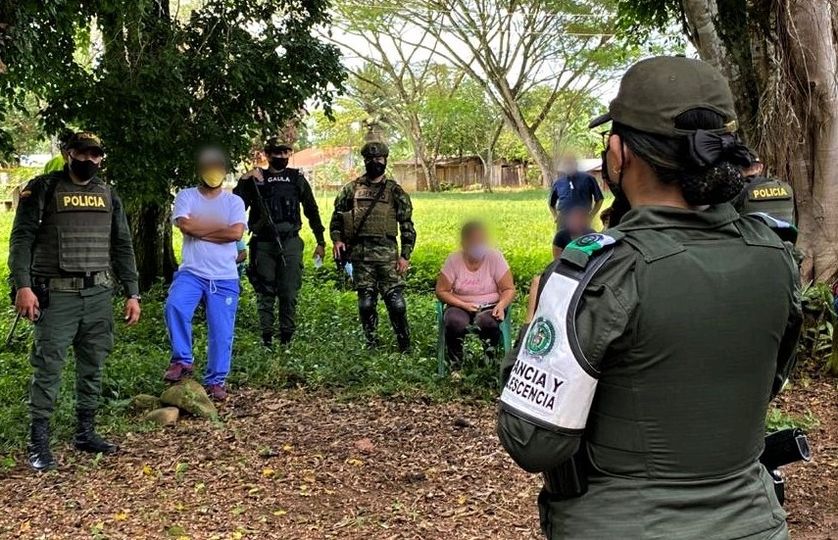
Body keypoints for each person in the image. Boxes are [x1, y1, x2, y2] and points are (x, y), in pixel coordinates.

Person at [497, 56, 802, 539]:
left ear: (619, 153)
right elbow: (766, 384)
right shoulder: (775, 255)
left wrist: (542, 321)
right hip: (754, 523)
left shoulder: (598, 272)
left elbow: (532, 442)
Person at [8, 131, 141, 472]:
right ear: (68, 153)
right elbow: (21, 240)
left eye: (95, 154)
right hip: (56, 296)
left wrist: (133, 293)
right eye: (82, 153)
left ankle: (85, 432)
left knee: (93, 366)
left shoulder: (108, 194)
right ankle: (38, 441)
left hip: (98, 295)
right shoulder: (42, 189)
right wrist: (23, 286)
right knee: (48, 369)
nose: (89, 160)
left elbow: (122, 245)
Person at [163, 147, 246, 401]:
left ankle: (216, 381)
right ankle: (182, 360)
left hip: (224, 277)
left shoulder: (234, 201)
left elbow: (236, 234)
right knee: (175, 306)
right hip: (192, 273)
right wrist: (217, 230)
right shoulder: (186, 196)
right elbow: (185, 225)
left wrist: (202, 231)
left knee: (222, 331)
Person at [233, 137, 326, 347]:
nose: (282, 156)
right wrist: (245, 180)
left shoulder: (296, 179)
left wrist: (320, 240)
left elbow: (311, 210)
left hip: (290, 242)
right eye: (277, 153)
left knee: (289, 291)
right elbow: (235, 206)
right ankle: (266, 337)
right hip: (263, 244)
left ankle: (286, 337)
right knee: (265, 291)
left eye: (286, 153)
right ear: (267, 155)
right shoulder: (256, 179)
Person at [330, 141, 416, 351]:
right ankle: (372, 343)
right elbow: (337, 219)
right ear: (365, 161)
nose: (374, 162)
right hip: (361, 257)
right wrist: (337, 239)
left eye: (379, 159)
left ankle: (405, 345)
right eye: (370, 159)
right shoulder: (351, 189)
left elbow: (407, 225)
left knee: (396, 304)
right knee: (366, 304)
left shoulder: (395, 191)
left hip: (388, 258)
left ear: (385, 160)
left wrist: (405, 255)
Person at [435, 221, 515, 370]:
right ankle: (455, 366)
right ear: (464, 243)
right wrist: (463, 305)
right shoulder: (454, 260)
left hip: (490, 306)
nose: (478, 245)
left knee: (488, 322)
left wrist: (501, 305)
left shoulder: (495, 258)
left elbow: (509, 289)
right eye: (474, 241)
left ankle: (488, 362)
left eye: (482, 240)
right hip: (460, 305)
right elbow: (441, 291)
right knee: (454, 322)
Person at [548, 154, 603, 226]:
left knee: (583, 237)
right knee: (562, 237)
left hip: (582, 219)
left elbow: (599, 200)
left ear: (575, 164)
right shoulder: (558, 183)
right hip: (563, 220)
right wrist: (555, 216)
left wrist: (591, 216)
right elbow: (551, 203)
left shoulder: (588, 179)